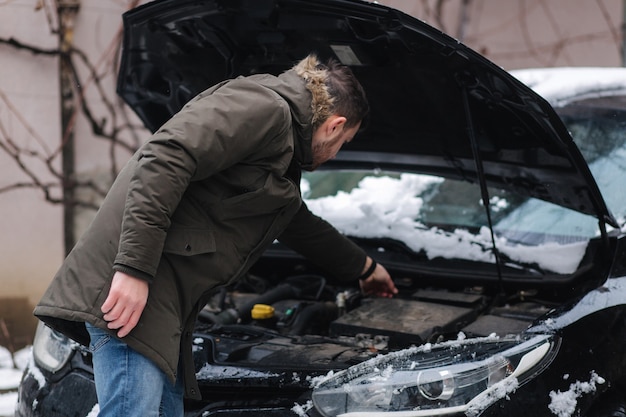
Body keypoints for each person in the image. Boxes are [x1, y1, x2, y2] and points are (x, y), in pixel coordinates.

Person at [34, 54, 398, 417]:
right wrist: (133, 269)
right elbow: (166, 156)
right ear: (334, 126)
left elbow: (297, 222)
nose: (335, 155)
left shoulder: (282, 150)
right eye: (343, 143)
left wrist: (365, 269)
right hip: (133, 291)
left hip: (163, 301)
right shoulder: (264, 107)